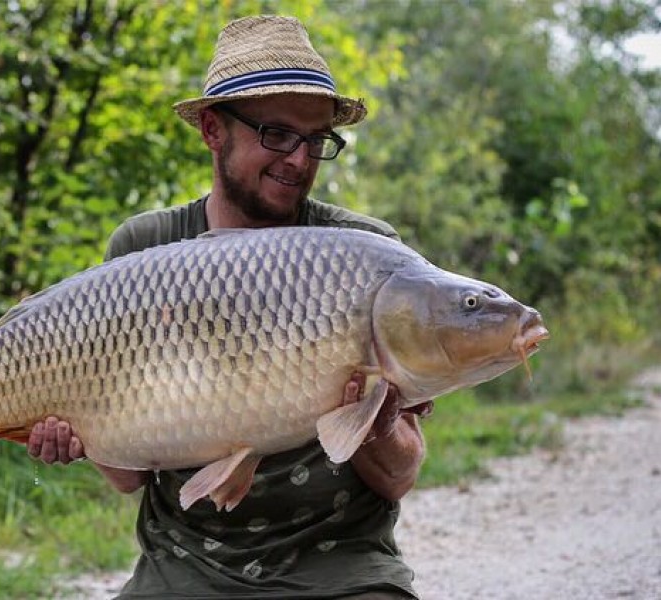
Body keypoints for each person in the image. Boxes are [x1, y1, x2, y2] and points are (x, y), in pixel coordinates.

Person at [27, 15, 429, 599]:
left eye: (316, 140)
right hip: (185, 568)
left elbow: (400, 477)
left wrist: (378, 422)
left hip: (341, 568)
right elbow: (129, 475)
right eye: (277, 134)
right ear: (213, 129)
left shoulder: (365, 256)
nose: (299, 158)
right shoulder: (145, 250)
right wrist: (77, 432)